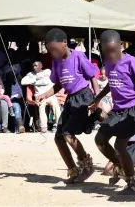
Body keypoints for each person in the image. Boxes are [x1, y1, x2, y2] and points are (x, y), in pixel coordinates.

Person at [90, 30, 135, 195]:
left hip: (133, 110)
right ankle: (120, 166)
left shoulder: (131, 62)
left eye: (113, 51)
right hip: (117, 110)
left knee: (119, 145)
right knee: (100, 139)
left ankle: (132, 183)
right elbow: (112, 82)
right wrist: (98, 98)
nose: (111, 55)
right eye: (107, 52)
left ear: (120, 46)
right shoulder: (108, 63)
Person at [43, 28, 99, 184]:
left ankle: (87, 166)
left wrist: (97, 99)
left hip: (83, 97)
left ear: (65, 43)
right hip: (70, 100)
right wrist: (44, 95)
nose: (52, 53)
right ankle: (73, 171)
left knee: (68, 134)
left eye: (54, 49)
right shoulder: (56, 62)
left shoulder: (79, 56)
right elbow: (58, 84)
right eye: (49, 50)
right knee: (59, 137)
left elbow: (92, 77)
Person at [21, 61, 61, 133]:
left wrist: (40, 80)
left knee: (55, 104)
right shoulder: (31, 74)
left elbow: (55, 80)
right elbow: (23, 82)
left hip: (49, 95)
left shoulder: (47, 72)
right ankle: (43, 127)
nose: (34, 67)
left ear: (41, 66)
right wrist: (34, 79)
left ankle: (59, 124)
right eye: (33, 66)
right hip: (39, 96)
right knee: (41, 106)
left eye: (36, 65)